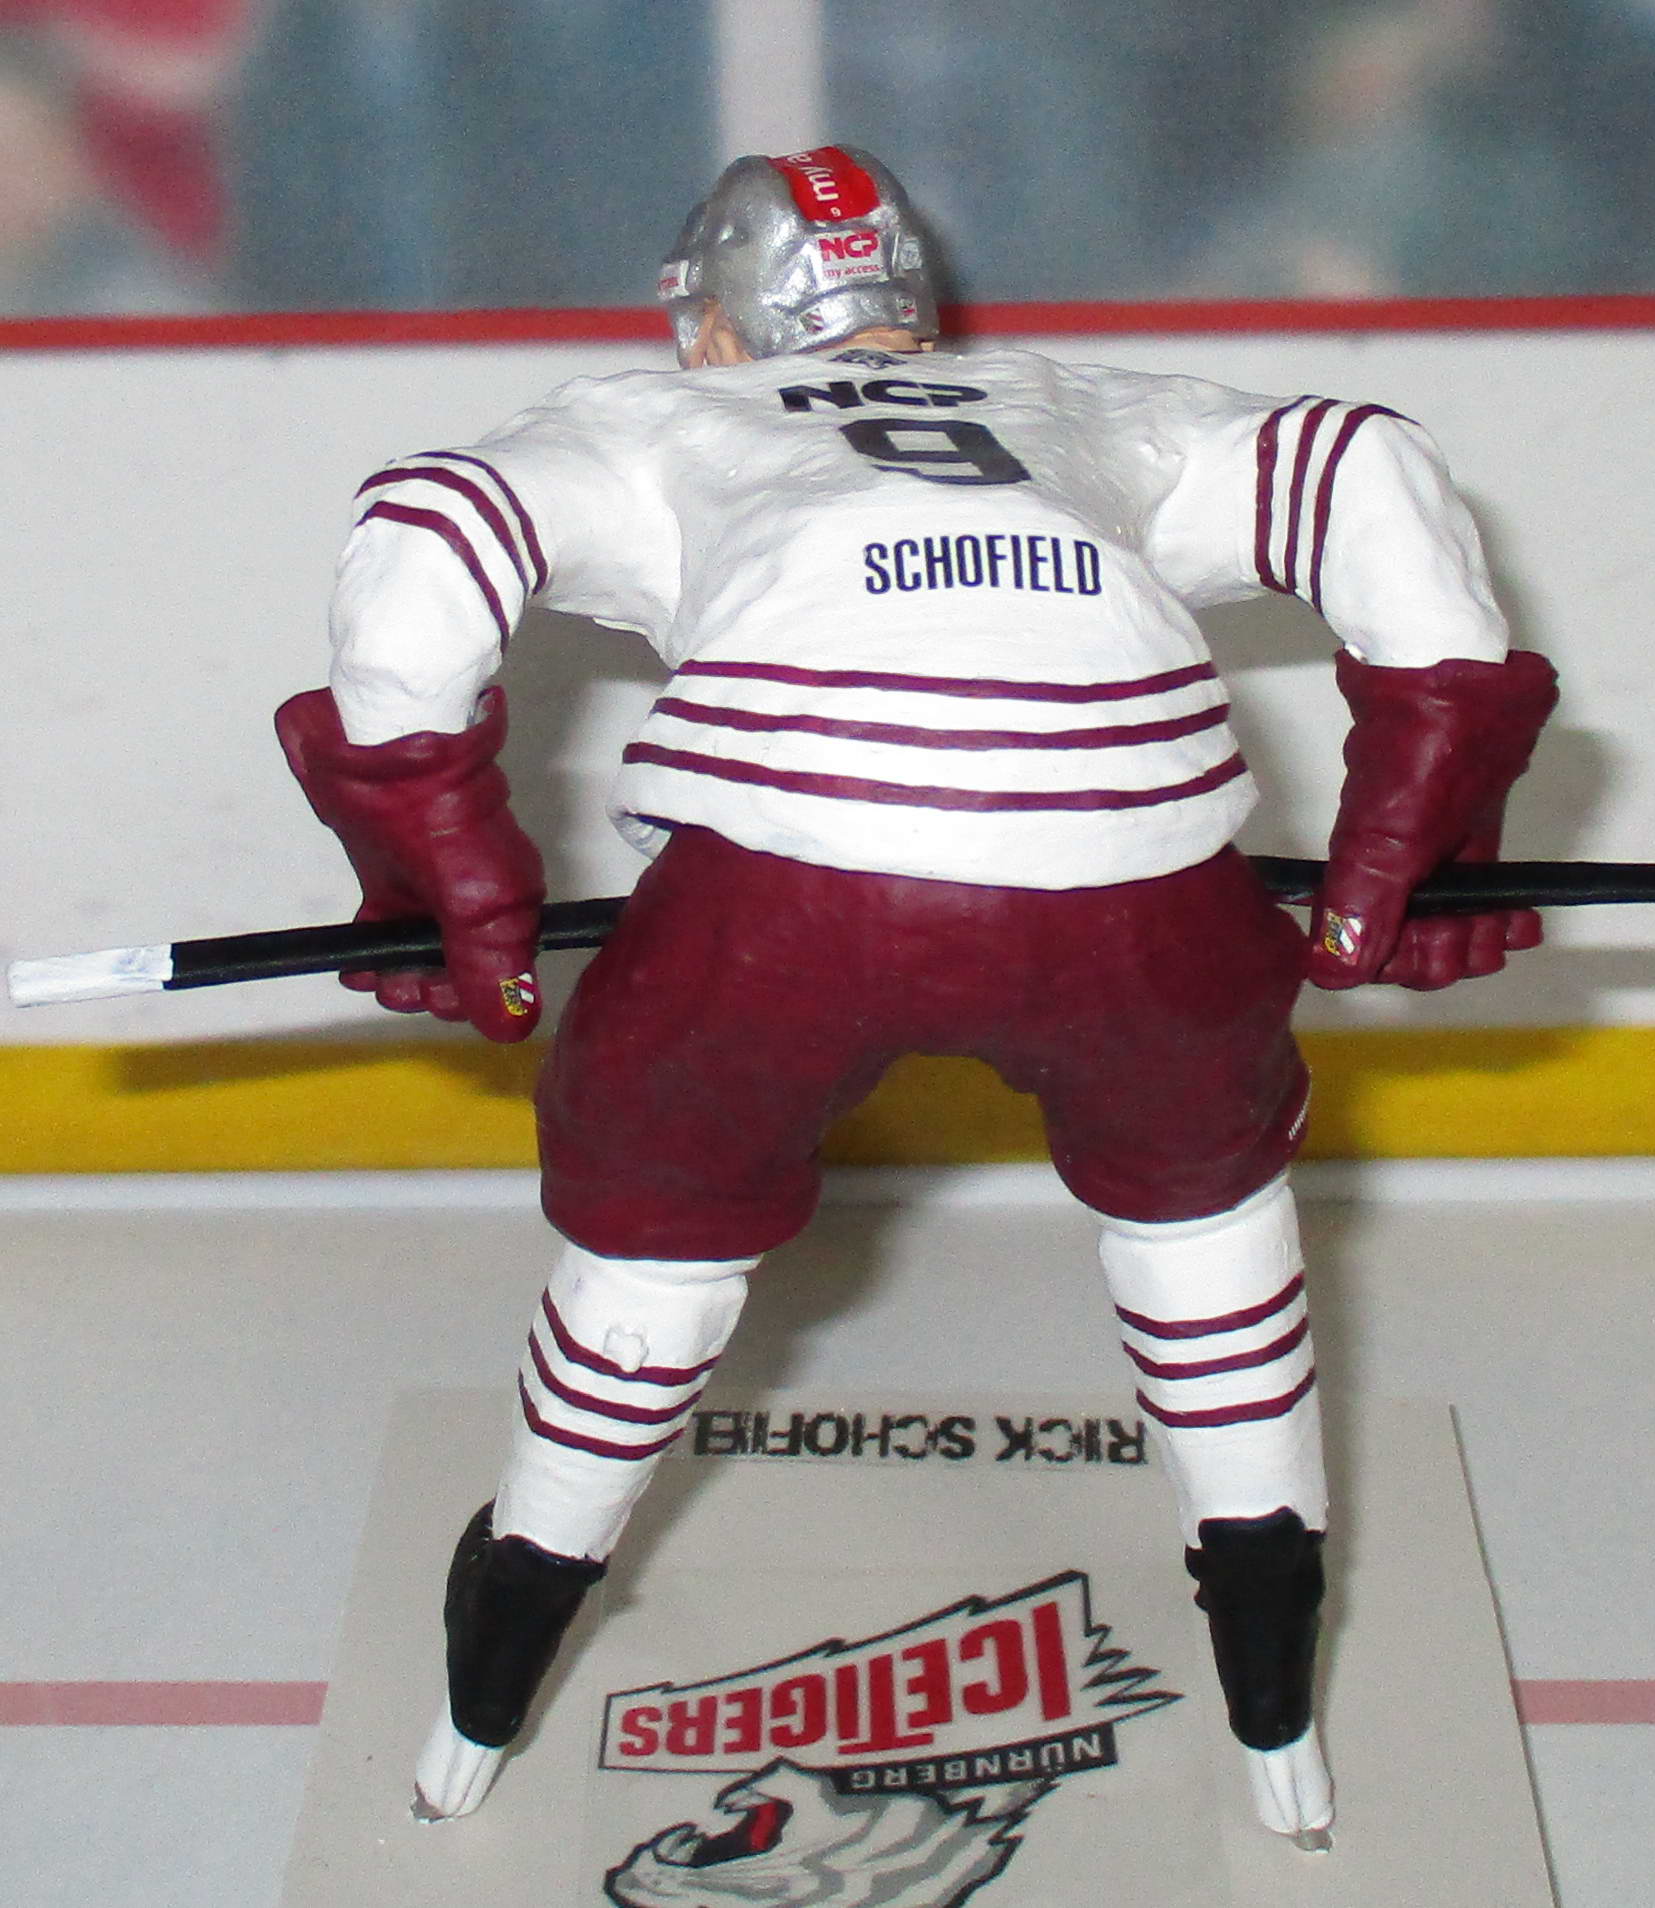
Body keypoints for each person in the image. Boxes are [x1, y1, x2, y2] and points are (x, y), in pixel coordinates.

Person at [275, 146, 1557, 1849]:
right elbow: (1362, 463)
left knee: (652, 1270)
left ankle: (481, 1697)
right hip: (1140, 878)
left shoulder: (653, 420)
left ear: (708, 321)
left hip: (784, 895)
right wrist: (1425, 822)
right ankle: (1274, 1713)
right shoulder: (1074, 401)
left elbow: (429, 527)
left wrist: (434, 867)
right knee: (1206, 1225)